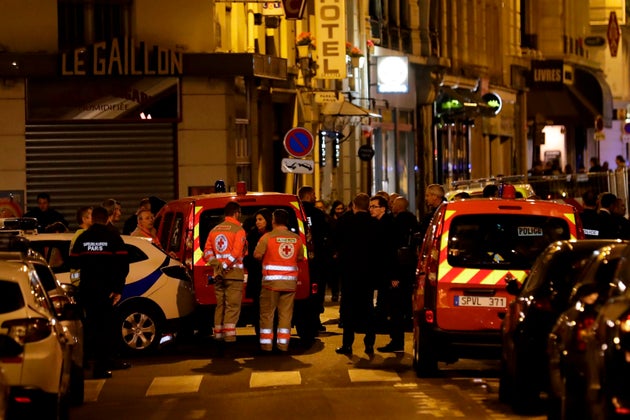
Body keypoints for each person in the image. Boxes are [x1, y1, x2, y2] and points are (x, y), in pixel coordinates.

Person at [69, 206, 130, 379]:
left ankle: (85, 364)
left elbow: (74, 262)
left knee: (89, 328)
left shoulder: (83, 238)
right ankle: (101, 368)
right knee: (105, 329)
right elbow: (123, 265)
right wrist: (118, 288)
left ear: (93, 218)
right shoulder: (113, 237)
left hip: (87, 290)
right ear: (105, 219)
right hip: (107, 292)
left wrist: (79, 283)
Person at [335, 193, 383, 355]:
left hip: (349, 273)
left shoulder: (345, 222)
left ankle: (347, 344)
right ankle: (369, 343)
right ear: (368, 206)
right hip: (368, 273)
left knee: (348, 308)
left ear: (354, 206)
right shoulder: (375, 224)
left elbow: (336, 244)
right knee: (368, 307)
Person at [254, 209, 305, 353]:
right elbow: (300, 257)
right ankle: (283, 345)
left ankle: (266, 346)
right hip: (289, 284)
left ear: (273, 220)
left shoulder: (267, 237)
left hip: (271, 284)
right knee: (286, 315)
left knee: (267, 315)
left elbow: (257, 255)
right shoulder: (296, 238)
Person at [203, 201, 247, 347]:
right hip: (233, 274)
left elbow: (207, 253)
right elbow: (236, 252)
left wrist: (217, 266)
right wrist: (224, 265)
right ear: (236, 213)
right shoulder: (238, 230)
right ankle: (229, 340)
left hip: (218, 275)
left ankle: (218, 335)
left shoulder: (214, 230)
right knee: (232, 306)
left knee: (220, 305)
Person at [298, 185, 331, 334]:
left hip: (299, 258)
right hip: (316, 259)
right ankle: (315, 320)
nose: (315, 197)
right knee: (316, 291)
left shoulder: (296, 212)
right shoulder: (317, 214)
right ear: (309, 195)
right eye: (313, 194)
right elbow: (327, 232)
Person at [242, 208, 272, 335]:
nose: (258, 222)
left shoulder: (273, 235)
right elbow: (247, 257)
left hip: (270, 278)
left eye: (261, 219)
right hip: (256, 277)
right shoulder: (253, 235)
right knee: (258, 309)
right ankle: (261, 336)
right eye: (256, 220)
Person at [369, 194, 396, 331]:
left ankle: (383, 324)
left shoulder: (389, 224)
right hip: (379, 267)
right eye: (370, 207)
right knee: (381, 296)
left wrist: (394, 274)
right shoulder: (375, 224)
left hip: (387, 268)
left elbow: (391, 250)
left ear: (383, 209)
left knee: (385, 296)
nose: (371, 209)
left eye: (375, 207)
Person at [327, 200, 346, 302]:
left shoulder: (344, 220)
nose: (340, 211)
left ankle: (342, 292)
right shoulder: (330, 221)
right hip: (332, 251)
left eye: (341, 209)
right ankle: (335, 293)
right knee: (334, 275)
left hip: (342, 251)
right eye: (338, 209)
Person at [70, 206, 93, 287]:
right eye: (91, 215)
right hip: (80, 281)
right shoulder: (82, 236)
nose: (94, 218)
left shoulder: (79, 234)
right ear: (84, 219)